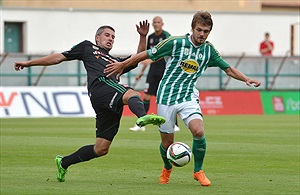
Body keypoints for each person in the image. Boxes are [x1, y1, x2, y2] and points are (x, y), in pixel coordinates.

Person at [104, 11, 261, 186]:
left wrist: (246, 78)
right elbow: (147, 54)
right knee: (167, 143)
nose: (202, 34)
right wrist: (123, 64)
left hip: (188, 96)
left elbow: (228, 69)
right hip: (166, 98)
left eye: (206, 31)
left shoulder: (209, 51)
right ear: (192, 28)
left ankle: (198, 171)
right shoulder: (175, 43)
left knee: (199, 131)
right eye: (199, 30)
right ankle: (167, 167)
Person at [14, 20, 166, 182]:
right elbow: (59, 57)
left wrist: (142, 37)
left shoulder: (116, 61)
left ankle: (64, 162)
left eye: (113, 37)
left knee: (101, 148)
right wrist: (29, 63)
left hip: (108, 100)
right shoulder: (88, 47)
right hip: (101, 89)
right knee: (132, 94)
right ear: (97, 38)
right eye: (107, 35)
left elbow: (136, 59)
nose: (110, 39)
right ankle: (142, 116)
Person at [129, 16, 180, 132]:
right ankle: (141, 123)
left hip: (165, 70)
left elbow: (164, 53)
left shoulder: (166, 36)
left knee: (167, 98)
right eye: (155, 22)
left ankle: (174, 124)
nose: (156, 24)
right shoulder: (151, 37)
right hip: (152, 71)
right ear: (153, 24)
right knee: (146, 96)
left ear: (162, 24)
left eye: (158, 22)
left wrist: (150, 60)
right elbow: (147, 54)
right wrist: (141, 73)